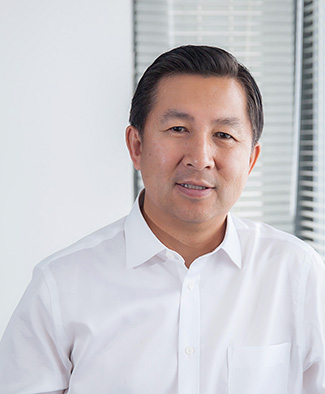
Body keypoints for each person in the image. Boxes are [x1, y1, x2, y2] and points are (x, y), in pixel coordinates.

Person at [0, 45, 324, 394]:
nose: (200, 159)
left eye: (224, 135)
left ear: (251, 159)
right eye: (178, 129)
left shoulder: (298, 275)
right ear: (136, 145)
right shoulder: (59, 287)